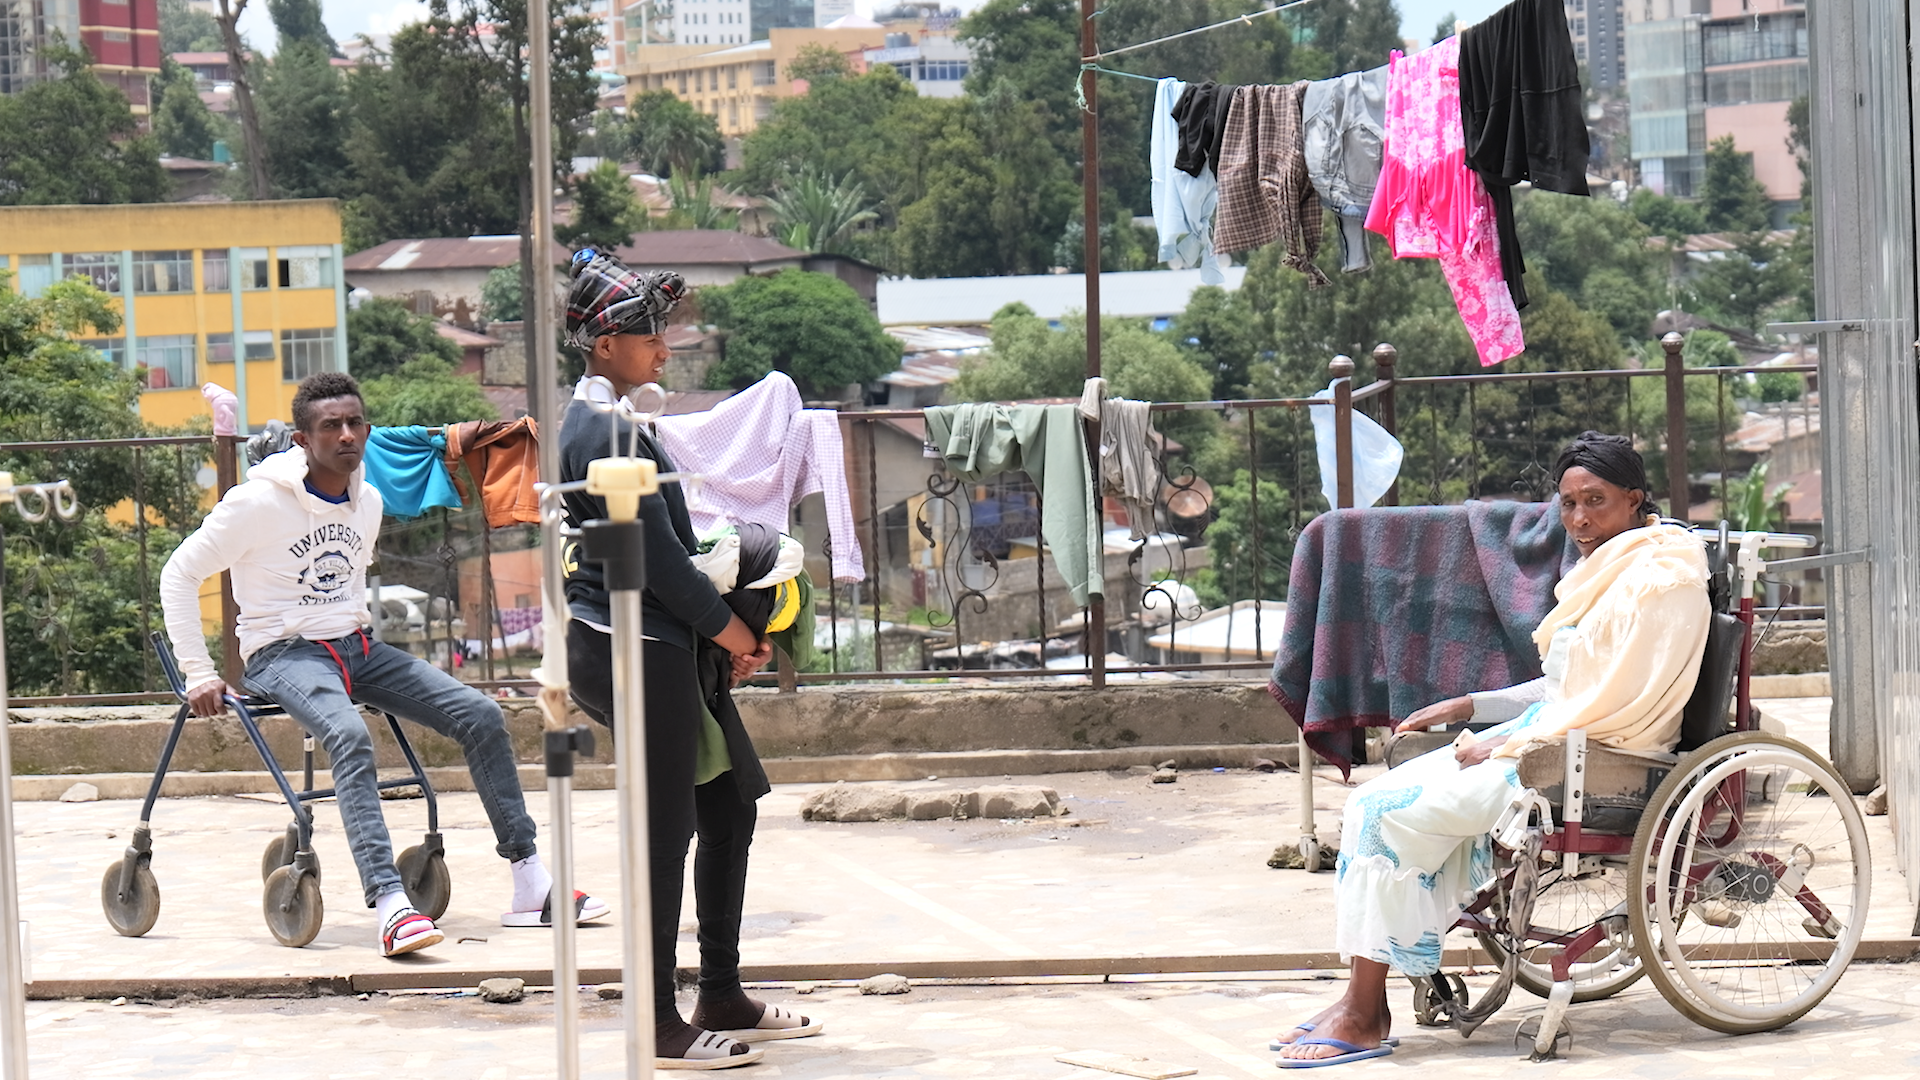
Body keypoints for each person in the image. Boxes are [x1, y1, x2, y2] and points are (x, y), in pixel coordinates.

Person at [1274, 432, 1711, 1067]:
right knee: (1371, 801)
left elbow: (1616, 698)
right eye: (1567, 504)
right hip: (1554, 739)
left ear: (1634, 499)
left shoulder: (1659, 580)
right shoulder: (1614, 568)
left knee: (1376, 815)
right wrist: (1471, 707)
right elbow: (1574, 683)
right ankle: (1362, 998)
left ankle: (1366, 1011)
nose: (1580, 519)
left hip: (1592, 758)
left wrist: (1514, 737)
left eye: (1596, 501)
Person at [159, 372, 607, 958]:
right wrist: (199, 672)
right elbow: (178, 573)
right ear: (302, 438)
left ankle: (530, 883)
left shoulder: (366, 499)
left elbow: (345, 589)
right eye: (330, 426)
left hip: (357, 647)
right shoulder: (255, 503)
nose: (347, 436)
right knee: (349, 734)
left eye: (354, 424)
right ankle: (391, 904)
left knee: (479, 713)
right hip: (281, 653)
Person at [559, 249, 820, 1070]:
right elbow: (652, 561)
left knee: (730, 805)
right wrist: (733, 634)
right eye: (647, 336)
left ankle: (720, 990)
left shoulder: (617, 424)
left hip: (663, 641)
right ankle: (658, 1022)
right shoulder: (597, 430)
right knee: (666, 832)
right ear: (605, 345)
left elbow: (667, 547)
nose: (662, 351)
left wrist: (717, 628)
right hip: (630, 645)